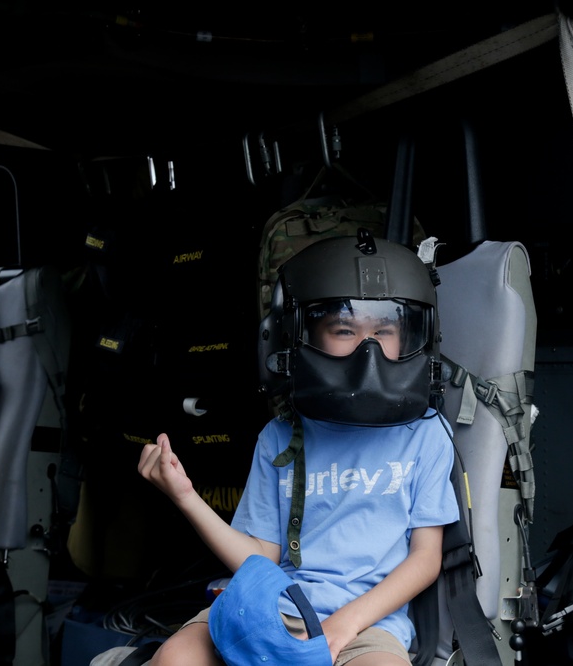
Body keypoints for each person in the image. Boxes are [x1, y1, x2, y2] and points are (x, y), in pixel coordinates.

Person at [137, 231, 459, 666]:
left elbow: (425, 559)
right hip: (271, 606)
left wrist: (345, 623)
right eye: (344, 329)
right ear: (302, 336)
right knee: (173, 660)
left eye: (384, 330)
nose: (368, 349)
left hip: (369, 624)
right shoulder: (279, 435)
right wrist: (185, 496)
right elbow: (259, 560)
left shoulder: (426, 434)